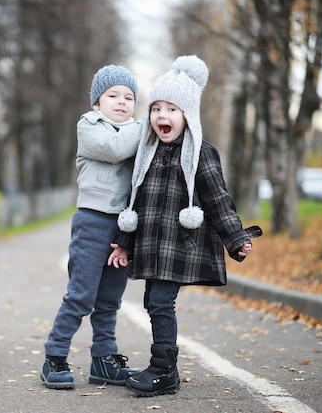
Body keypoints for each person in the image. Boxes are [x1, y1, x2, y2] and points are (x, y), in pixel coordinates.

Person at [107, 55, 262, 397]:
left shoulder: (200, 153)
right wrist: (123, 241)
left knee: (161, 301)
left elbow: (218, 198)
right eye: (156, 108)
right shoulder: (146, 154)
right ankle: (165, 368)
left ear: (187, 115)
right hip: (152, 246)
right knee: (154, 301)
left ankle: (164, 371)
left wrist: (235, 238)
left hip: (179, 247)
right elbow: (135, 203)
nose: (162, 116)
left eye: (172, 109)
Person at [41, 64, 143, 389]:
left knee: (111, 297)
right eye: (113, 95)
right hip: (93, 221)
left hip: (123, 226)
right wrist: (145, 127)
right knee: (81, 295)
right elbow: (113, 150)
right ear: (97, 102)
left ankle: (104, 360)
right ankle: (54, 356)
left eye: (129, 97)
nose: (122, 101)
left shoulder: (135, 132)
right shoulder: (90, 126)